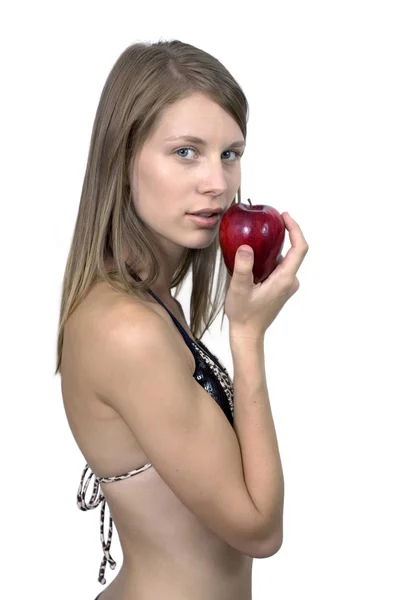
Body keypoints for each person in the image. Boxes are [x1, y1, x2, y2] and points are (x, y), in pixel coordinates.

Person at [55, 39, 309, 600]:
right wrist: (247, 336)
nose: (218, 183)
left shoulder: (152, 300)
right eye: (186, 152)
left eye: (230, 153)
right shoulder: (126, 328)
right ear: (123, 158)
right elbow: (259, 529)